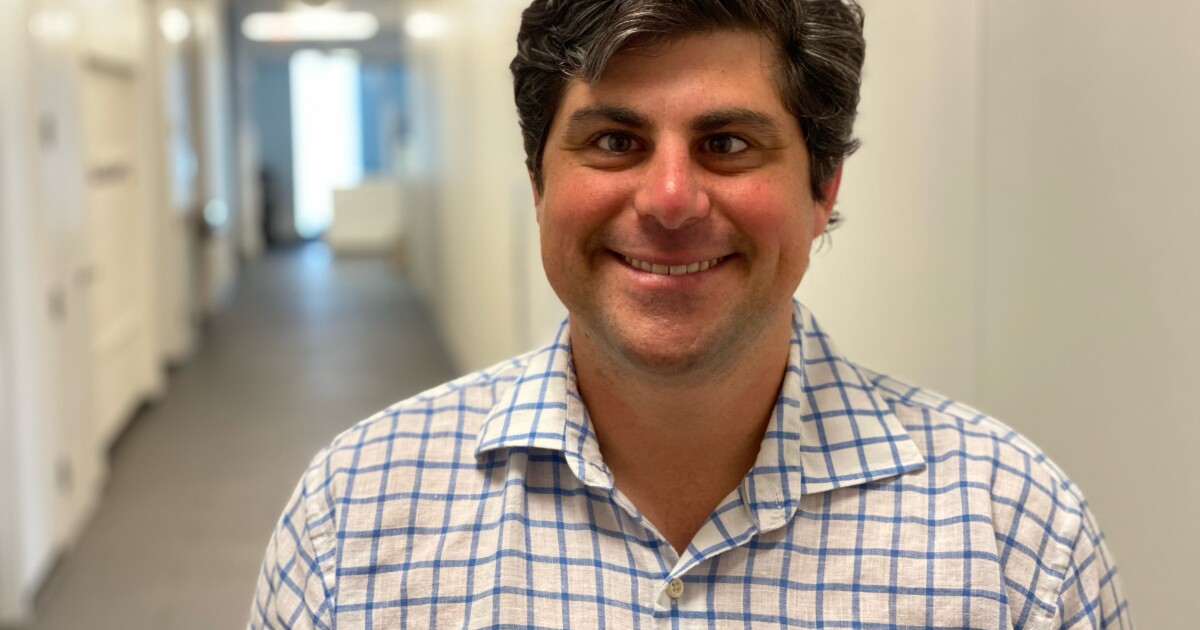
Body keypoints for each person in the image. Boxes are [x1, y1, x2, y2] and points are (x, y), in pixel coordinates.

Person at [250, 1, 1131, 627]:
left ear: (823, 188)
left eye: (727, 143)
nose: (670, 199)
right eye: (614, 141)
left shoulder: (1016, 540)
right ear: (538, 183)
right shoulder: (353, 517)